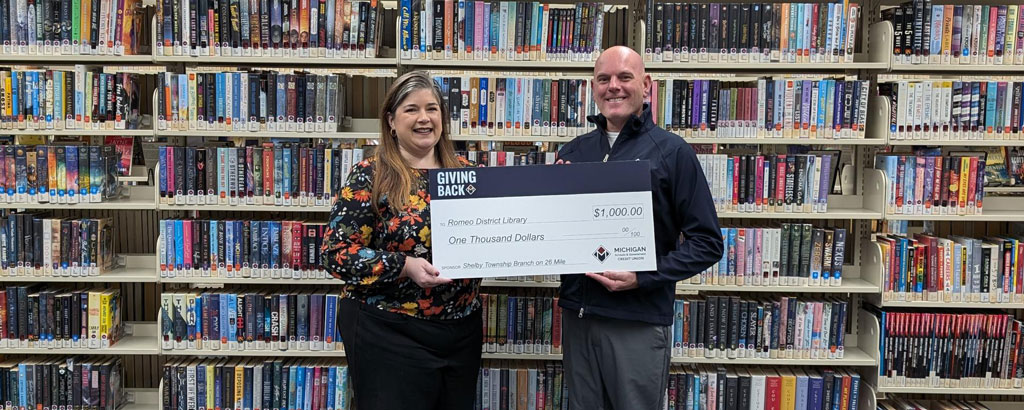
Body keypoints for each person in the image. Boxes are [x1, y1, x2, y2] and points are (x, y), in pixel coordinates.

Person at [555, 46, 725, 409]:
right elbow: (555, 235)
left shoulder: (673, 152)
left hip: (637, 321)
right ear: (593, 86)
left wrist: (642, 275)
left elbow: (708, 243)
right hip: (579, 319)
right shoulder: (572, 152)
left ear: (646, 86)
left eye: (624, 77)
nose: (613, 86)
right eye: (604, 79)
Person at [320, 71, 481, 410]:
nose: (424, 118)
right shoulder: (371, 175)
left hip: (461, 330)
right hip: (389, 330)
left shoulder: (468, 174)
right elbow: (335, 253)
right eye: (412, 110)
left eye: (432, 109)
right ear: (391, 121)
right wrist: (404, 266)